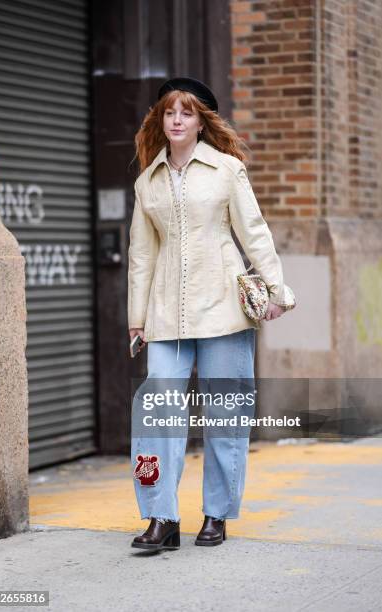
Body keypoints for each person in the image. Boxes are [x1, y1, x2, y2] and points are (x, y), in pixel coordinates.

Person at [128, 77, 296, 551]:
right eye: (169, 113)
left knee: (225, 414)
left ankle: (216, 514)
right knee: (156, 414)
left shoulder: (227, 170)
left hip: (223, 311)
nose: (176, 121)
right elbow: (141, 254)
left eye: (186, 113)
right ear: (160, 121)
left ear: (202, 122)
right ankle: (161, 516)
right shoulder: (148, 182)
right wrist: (136, 319)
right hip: (165, 317)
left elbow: (255, 233)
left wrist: (278, 291)